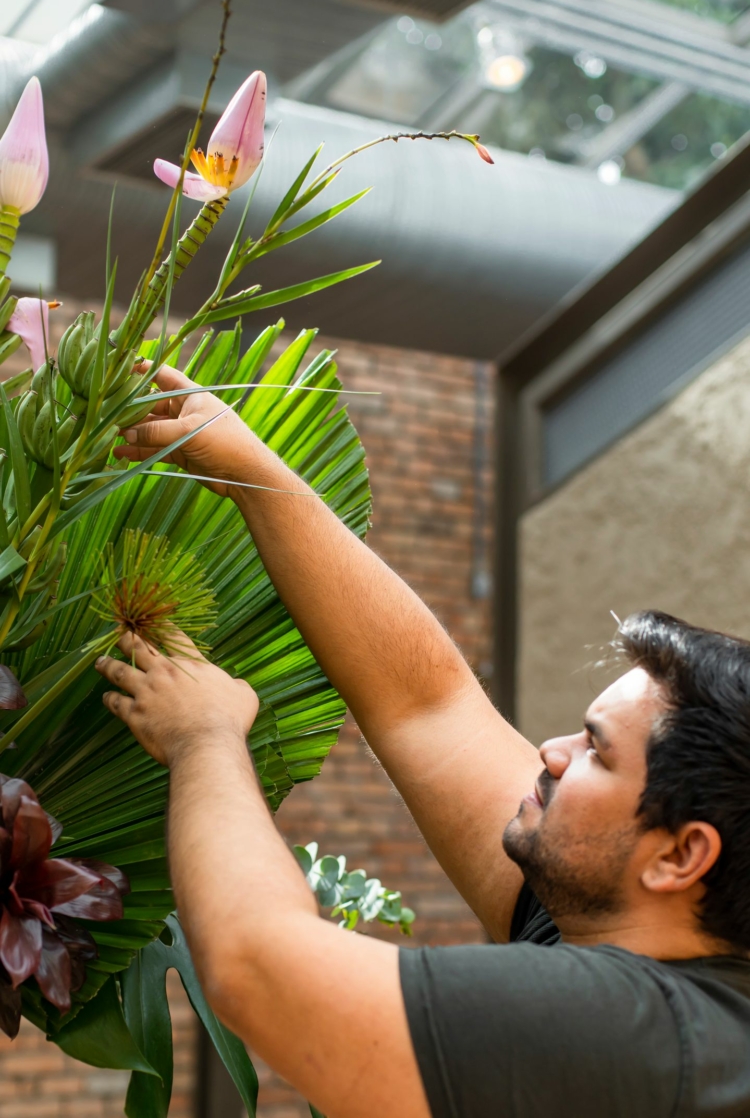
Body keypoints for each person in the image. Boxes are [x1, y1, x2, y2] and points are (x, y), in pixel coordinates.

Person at [94, 364, 750, 1118]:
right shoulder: (633, 932)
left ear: (680, 855)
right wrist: (249, 471)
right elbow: (427, 707)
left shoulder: (647, 1043)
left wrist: (204, 739)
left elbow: (257, 970)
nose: (551, 750)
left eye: (597, 752)